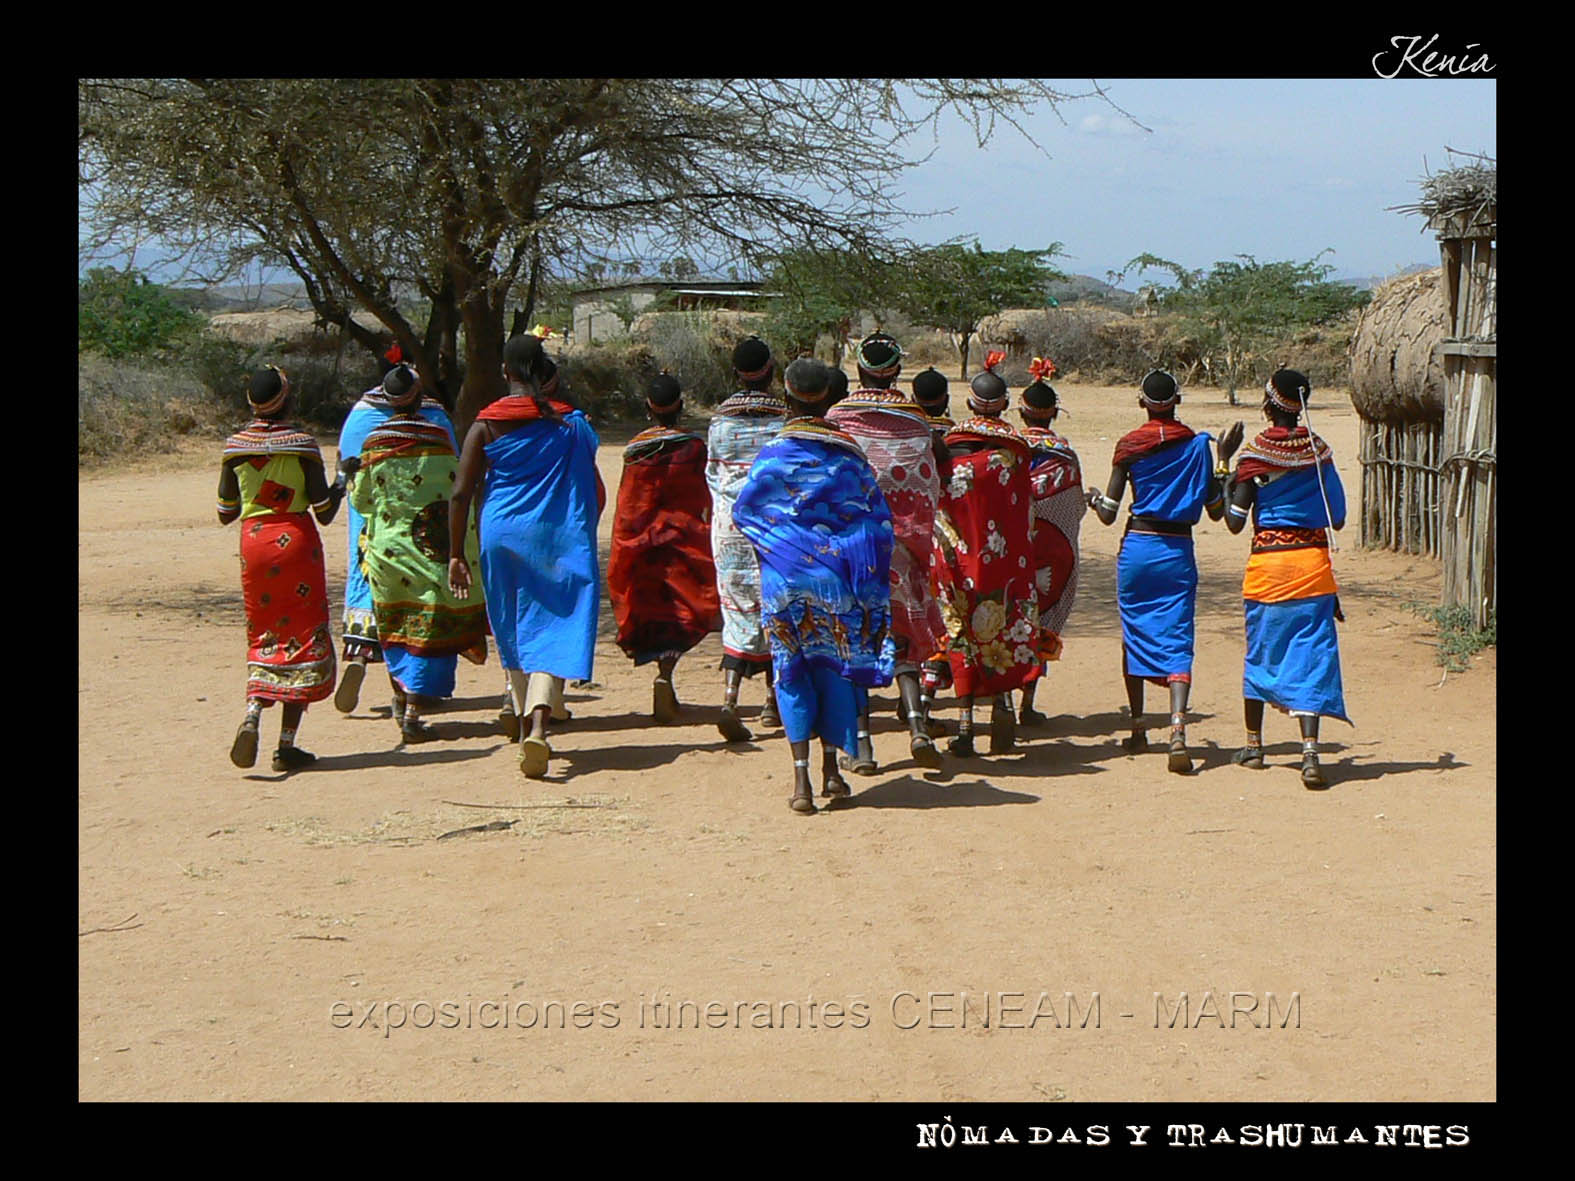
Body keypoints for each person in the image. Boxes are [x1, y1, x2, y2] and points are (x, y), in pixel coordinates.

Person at [732, 358, 896, 814]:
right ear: (829, 398)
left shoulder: (772, 457)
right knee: (834, 669)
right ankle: (832, 772)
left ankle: (801, 782)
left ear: (786, 396)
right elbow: (878, 523)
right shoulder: (850, 458)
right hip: (838, 583)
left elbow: (745, 516)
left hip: (785, 584)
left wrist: (788, 550)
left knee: (792, 670)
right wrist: (844, 559)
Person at [447, 334, 603, 779]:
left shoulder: (486, 423)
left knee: (513, 623)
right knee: (561, 619)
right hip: (557, 535)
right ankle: (539, 723)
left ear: (505, 373)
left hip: (501, 534)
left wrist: (456, 552)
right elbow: (590, 483)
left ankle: (522, 722)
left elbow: (461, 493)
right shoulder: (571, 424)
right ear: (545, 372)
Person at [1087, 370, 1242, 772]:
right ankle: (1177, 730)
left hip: (1138, 549)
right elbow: (1215, 510)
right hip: (1177, 550)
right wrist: (1223, 462)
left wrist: (1092, 498)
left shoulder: (1129, 447)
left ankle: (1139, 729)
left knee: (1134, 634)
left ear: (1142, 403)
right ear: (1178, 402)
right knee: (1177, 635)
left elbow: (1108, 514)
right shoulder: (1197, 447)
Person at [1224, 368, 1349, 789]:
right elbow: (1339, 517)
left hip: (1268, 569)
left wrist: (1225, 473)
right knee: (1311, 656)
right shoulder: (1320, 455)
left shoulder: (1254, 456)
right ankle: (1310, 753)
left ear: (1267, 404)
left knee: (1262, 651)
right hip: (1313, 569)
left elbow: (1235, 521)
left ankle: (1254, 746)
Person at [347, 375, 489, 743]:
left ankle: (399, 695)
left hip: (387, 554)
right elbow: (456, 489)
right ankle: (412, 709)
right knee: (429, 627)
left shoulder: (373, 443)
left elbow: (361, 502)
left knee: (395, 623)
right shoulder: (439, 438)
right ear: (418, 398)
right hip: (430, 550)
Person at [826, 332, 946, 769]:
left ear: (858, 370)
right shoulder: (917, 422)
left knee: (855, 639)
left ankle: (861, 745)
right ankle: (916, 725)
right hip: (901, 546)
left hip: (851, 548)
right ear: (896, 372)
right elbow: (932, 480)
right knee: (902, 638)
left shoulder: (837, 419)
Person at [217, 366, 343, 772]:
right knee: (302, 636)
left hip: (255, 543)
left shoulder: (234, 447)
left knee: (265, 632)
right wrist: (343, 479)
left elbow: (225, 511)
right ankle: (286, 744)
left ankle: (253, 712)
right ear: (287, 400)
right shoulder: (302, 445)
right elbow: (324, 511)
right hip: (296, 542)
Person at [332, 354, 456, 715]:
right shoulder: (436, 421)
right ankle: (414, 689)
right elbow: (454, 474)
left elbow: (350, 475)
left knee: (368, 582)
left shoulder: (360, 418)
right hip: (422, 528)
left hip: (373, 525)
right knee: (422, 603)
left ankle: (360, 652)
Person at [931, 353, 1040, 757]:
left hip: (958, 562)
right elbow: (1024, 510)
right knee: (1005, 629)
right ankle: (1004, 706)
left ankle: (964, 726)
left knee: (961, 632)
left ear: (971, 404)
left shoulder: (949, 453)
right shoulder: (1014, 456)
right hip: (1007, 564)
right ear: (1006, 406)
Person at [606, 373, 722, 720]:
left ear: (648, 409)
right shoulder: (695, 449)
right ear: (681, 408)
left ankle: (663, 674)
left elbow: (629, 505)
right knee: (687, 610)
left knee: (655, 610)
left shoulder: (634, 451)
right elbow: (704, 495)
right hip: (686, 543)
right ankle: (667, 673)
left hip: (645, 545)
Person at [706, 336, 788, 742]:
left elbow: (712, 478)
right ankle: (773, 704)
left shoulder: (719, 423)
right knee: (776, 607)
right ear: (771, 372)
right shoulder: (785, 423)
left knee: (737, 610)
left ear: (736, 373)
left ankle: (730, 699)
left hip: (730, 530)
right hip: (777, 530)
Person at [1016, 358, 1086, 727]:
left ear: (1021, 412)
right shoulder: (1066, 456)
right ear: (1054, 413)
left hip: (1011, 550)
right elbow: (1075, 507)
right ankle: (1027, 702)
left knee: (1004, 615)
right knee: (1042, 619)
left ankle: (1001, 702)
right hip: (1054, 552)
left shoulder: (1008, 451)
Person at [911, 366, 956, 734]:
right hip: (948, 540)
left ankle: (910, 701)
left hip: (913, 538)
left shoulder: (905, 433)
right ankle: (923, 705)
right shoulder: (956, 439)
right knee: (941, 619)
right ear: (948, 399)